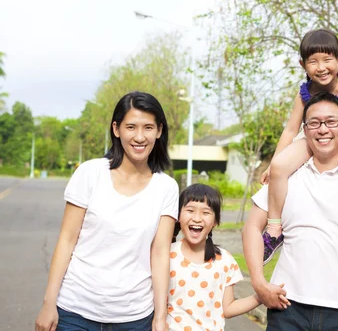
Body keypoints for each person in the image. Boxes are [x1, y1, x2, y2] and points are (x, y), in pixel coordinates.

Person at [243, 92, 338, 331]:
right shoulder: (287, 176)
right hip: (287, 308)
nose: (322, 129)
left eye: (331, 121)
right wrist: (259, 283)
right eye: (314, 123)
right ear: (305, 130)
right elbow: (252, 227)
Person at [35, 91, 179, 331]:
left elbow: (160, 253)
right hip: (75, 310)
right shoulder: (90, 173)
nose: (140, 137)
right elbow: (67, 240)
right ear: (116, 129)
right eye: (131, 127)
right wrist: (49, 304)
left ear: (159, 131)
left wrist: (160, 317)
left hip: (135, 316)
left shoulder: (166, 187)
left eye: (148, 128)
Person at [261, 28, 338, 275]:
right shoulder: (304, 93)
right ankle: (274, 230)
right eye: (313, 61)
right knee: (279, 168)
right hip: (313, 135)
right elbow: (290, 130)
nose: (321, 67)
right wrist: (273, 162)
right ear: (302, 64)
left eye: (327, 60)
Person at [167, 183, 264, 330]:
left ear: (215, 221)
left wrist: (261, 297)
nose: (197, 218)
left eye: (206, 213)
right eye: (190, 210)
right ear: (178, 216)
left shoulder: (225, 261)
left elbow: (228, 308)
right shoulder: (165, 255)